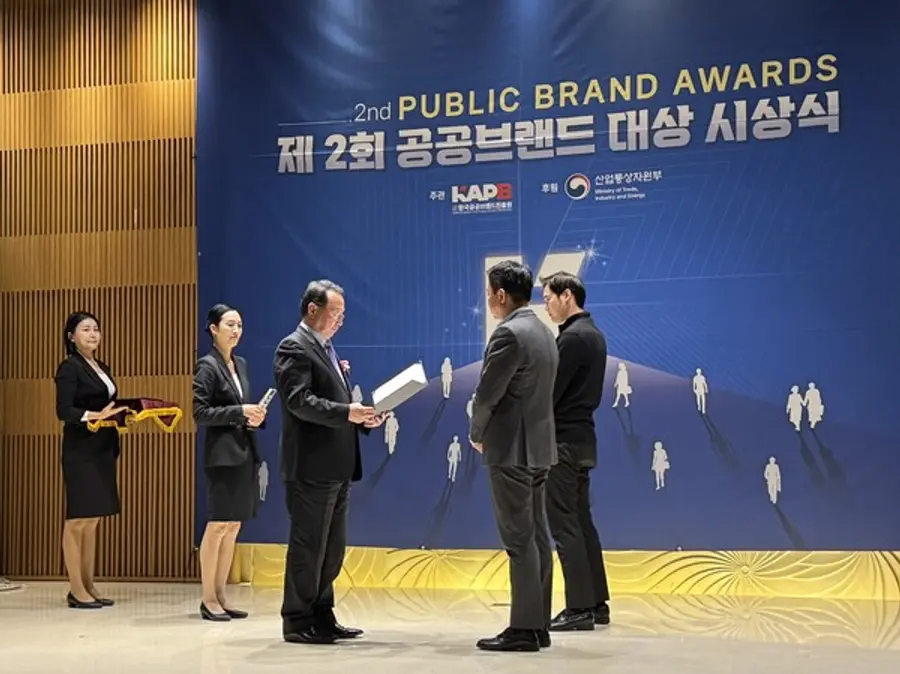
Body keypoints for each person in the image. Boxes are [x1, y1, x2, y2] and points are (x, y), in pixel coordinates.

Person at [273, 280, 386, 645]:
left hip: (336, 465)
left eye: (343, 314)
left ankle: (322, 615)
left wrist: (363, 419)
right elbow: (299, 402)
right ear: (313, 309)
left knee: (331, 549)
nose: (340, 320)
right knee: (308, 548)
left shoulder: (326, 347)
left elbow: (334, 404)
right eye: (335, 312)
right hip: (311, 466)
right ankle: (297, 619)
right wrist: (347, 411)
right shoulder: (294, 346)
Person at [469, 260, 559, 652]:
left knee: (519, 540)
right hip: (539, 448)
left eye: (489, 293)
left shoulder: (508, 335)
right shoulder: (543, 331)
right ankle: (537, 625)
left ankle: (523, 628)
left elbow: (487, 394)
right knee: (537, 537)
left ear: (502, 295)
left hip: (510, 449)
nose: (488, 299)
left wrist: (476, 432)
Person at [541, 272, 612, 631]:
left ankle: (579, 607)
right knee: (581, 521)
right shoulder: (593, 334)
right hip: (583, 439)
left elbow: (548, 394)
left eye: (548, 298)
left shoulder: (571, 339)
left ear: (566, 295)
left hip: (562, 442)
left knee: (564, 522)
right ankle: (596, 604)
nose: (546, 306)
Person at [192, 304, 267, 621]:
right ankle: (208, 598)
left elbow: (241, 409)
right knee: (219, 524)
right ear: (213, 329)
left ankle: (221, 595)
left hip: (244, 451)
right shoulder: (206, 366)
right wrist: (239, 411)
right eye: (230, 325)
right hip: (222, 456)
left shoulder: (241, 364)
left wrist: (254, 417)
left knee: (234, 525)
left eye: (240, 325)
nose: (236, 331)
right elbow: (200, 412)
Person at [54, 311, 126, 609]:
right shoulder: (69, 367)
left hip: (103, 447)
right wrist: (93, 415)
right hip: (81, 449)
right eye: (85, 329)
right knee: (78, 520)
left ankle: (88, 583)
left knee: (93, 519)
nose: (93, 334)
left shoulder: (102, 366)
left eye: (96, 329)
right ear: (72, 336)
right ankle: (75, 588)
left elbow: (107, 405)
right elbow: (64, 410)